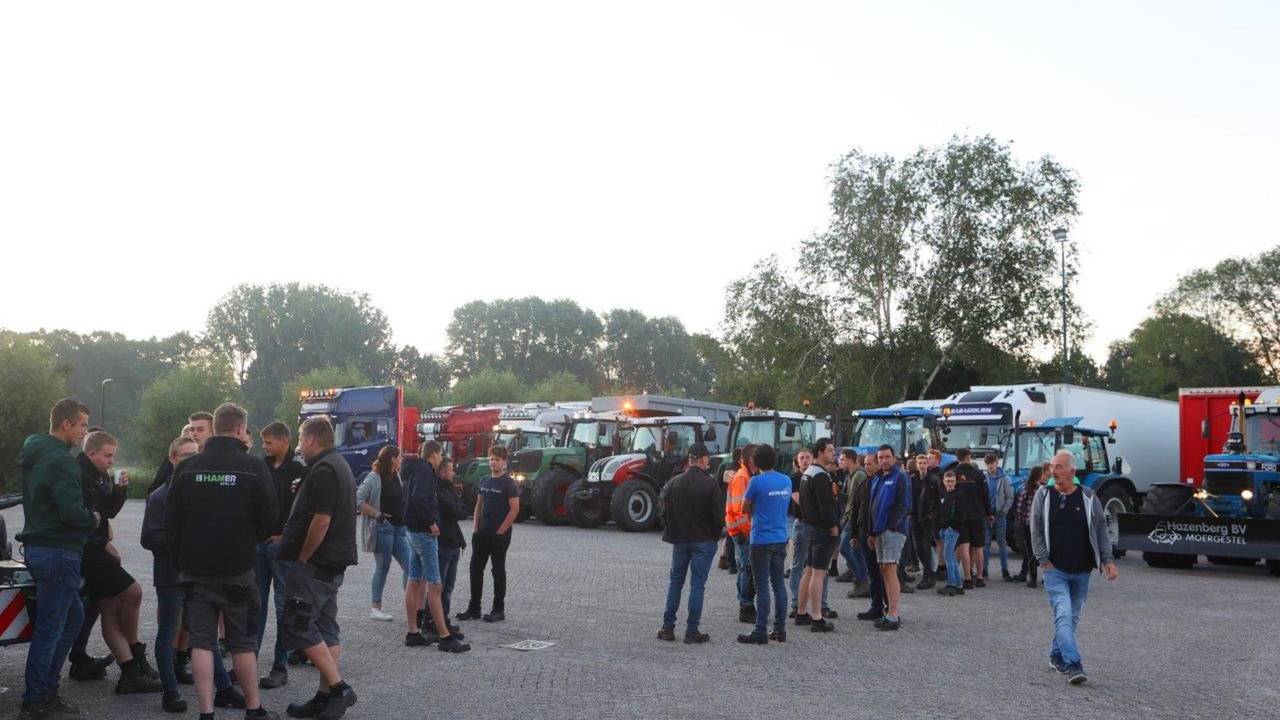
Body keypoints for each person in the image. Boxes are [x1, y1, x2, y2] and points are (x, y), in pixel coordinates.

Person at [164, 402, 281, 720]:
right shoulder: (254, 467)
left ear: (216, 428)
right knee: (242, 642)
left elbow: (170, 522)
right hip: (238, 569)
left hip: (195, 569)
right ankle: (254, 709)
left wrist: (182, 559)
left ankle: (206, 712)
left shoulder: (186, 468)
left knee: (201, 641)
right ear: (241, 429)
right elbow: (271, 521)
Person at [16, 399, 98, 720]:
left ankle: (46, 688)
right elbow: (70, 512)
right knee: (50, 629)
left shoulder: (35, 453)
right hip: (59, 552)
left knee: (74, 618)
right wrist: (91, 517)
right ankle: (36, 700)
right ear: (66, 424)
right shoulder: (62, 460)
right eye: (81, 426)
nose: (83, 433)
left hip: (39, 549)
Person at [276, 416, 360, 718]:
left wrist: (303, 556)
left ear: (311, 438)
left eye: (300, 438)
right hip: (332, 563)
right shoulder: (337, 464)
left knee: (298, 626)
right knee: (326, 628)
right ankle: (324, 697)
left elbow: (321, 520)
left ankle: (338, 688)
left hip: (317, 563)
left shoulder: (324, 469)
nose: (299, 444)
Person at [70, 430, 162, 694]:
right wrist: (99, 534)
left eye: (113, 457)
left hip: (97, 548)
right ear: (91, 453)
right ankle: (134, 656)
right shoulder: (79, 474)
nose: (111, 461)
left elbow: (107, 512)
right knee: (133, 592)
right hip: (90, 552)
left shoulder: (98, 474)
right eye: (108, 456)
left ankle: (130, 670)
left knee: (109, 606)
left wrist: (120, 490)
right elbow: (86, 517)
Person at [1031, 450, 1119, 686]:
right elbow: (1036, 529)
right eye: (1052, 467)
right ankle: (1074, 664)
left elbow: (1100, 531)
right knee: (1064, 614)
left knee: (1071, 619)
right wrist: (1043, 560)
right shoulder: (1043, 495)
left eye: (1058, 467)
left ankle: (1056, 655)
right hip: (1054, 570)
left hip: (1082, 571)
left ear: (1072, 471)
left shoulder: (1089, 497)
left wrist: (1108, 561)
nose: (1053, 471)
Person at [141, 436, 201, 713]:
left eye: (195, 454)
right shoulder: (159, 496)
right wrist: (184, 540)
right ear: (173, 459)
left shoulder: (203, 493)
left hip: (198, 575)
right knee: (168, 632)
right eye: (185, 455)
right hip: (170, 576)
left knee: (200, 631)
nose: (190, 459)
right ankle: (170, 690)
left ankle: (221, 686)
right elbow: (149, 538)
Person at [401, 441, 468, 652]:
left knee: (414, 580)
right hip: (424, 533)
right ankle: (444, 636)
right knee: (435, 585)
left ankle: (413, 632)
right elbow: (420, 497)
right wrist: (431, 521)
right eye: (440, 455)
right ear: (434, 454)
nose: (441, 459)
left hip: (412, 531)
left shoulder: (411, 469)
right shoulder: (425, 471)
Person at [656, 443, 722, 644]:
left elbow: (662, 509)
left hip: (681, 540)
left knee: (675, 582)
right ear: (703, 460)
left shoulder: (675, 482)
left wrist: (670, 530)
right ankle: (692, 630)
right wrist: (714, 536)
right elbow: (718, 517)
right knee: (697, 585)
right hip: (703, 541)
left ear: (689, 460)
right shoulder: (711, 484)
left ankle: (668, 627)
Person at [256, 422, 305, 690]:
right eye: (263, 443)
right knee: (256, 605)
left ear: (285, 441)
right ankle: (247, 661)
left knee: (283, 606)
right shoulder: (261, 465)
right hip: (259, 545)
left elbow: (300, 510)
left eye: (269, 442)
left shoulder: (298, 471)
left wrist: (285, 535)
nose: (265, 447)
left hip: (283, 548)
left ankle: (280, 665)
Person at [737, 444, 792, 644]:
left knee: (761, 586)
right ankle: (780, 629)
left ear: (756, 462)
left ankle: (760, 630)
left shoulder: (756, 482)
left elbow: (744, 508)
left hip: (761, 539)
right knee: (778, 584)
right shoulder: (786, 480)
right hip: (780, 537)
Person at [461, 445, 520, 624]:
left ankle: (498, 609)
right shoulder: (484, 480)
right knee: (475, 569)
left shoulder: (509, 483)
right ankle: (474, 608)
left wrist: (501, 531)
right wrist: (476, 527)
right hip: (482, 534)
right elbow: (479, 505)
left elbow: (515, 509)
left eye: (497, 459)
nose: (494, 462)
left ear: (504, 462)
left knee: (497, 571)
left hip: (499, 536)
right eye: (491, 459)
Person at [356, 446, 410, 622]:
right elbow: (358, 500)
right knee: (383, 567)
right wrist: (377, 515)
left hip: (399, 528)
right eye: (399, 457)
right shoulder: (374, 477)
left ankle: (413, 604)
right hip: (383, 528)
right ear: (392, 459)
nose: (401, 460)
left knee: (410, 565)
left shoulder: (397, 476)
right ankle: (375, 607)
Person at [795, 439, 838, 632]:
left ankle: (801, 611)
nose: (833, 454)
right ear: (820, 452)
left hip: (809, 526)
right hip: (821, 529)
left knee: (809, 570)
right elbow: (826, 505)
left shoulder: (807, 474)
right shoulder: (821, 476)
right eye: (830, 450)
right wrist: (833, 525)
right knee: (819, 573)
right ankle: (817, 617)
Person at [867, 445, 911, 631]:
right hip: (879, 532)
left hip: (892, 531)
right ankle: (889, 612)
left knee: (891, 570)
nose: (884, 460)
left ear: (894, 458)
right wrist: (872, 532)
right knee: (884, 570)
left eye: (887, 457)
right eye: (881, 457)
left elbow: (905, 505)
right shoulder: (878, 479)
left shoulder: (900, 477)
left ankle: (893, 615)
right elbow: (872, 507)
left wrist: (891, 526)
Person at [786, 449, 828, 618]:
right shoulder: (795, 479)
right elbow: (799, 499)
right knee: (798, 565)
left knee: (819, 568)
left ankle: (822, 604)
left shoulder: (818, 476)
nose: (804, 460)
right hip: (802, 524)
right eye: (801, 458)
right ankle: (796, 603)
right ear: (797, 461)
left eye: (807, 457)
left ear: (812, 459)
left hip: (817, 526)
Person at [433, 457, 468, 631]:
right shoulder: (439, 489)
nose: (453, 472)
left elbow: (462, 510)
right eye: (451, 469)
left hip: (454, 541)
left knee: (449, 585)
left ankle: (443, 617)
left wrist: (457, 507)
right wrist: (456, 507)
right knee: (440, 585)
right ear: (443, 472)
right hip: (444, 542)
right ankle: (435, 619)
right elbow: (453, 509)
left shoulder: (448, 489)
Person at [723, 444, 756, 624]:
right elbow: (740, 510)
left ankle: (743, 601)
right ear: (750, 460)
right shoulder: (742, 478)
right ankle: (746, 604)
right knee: (746, 568)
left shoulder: (744, 476)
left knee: (744, 567)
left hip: (737, 529)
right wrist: (748, 532)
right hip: (741, 530)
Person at [852, 454, 887, 623]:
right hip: (863, 531)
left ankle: (886, 605)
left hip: (877, 533)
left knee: (881, 572)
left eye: (870, 464)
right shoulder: (864, 484)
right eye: (865, 464)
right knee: (872, 571)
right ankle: (877, 606)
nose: (867, 467)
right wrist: (854, 534)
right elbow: (855, 509)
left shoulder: (881, 483)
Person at [951, 448, 991, 589]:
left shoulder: (953, 474)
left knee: (964, 547)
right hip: (977, 514)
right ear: (968, 457)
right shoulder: (979, 474)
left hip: (960, 516)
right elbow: (986, 496)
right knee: (978, 547)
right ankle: (979, 578)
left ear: (957, 458)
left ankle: (967, 578)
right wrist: (989, 513)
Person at [838, 450, 871, 599]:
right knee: (853, 550)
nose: (840, 461)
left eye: (843, 459)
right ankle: (861, 580)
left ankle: (863, 580)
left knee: (846, 548)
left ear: (851, 459)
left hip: (854, 518)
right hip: (849, 517)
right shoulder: (851, 476)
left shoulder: (859, 475)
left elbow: (861, 500)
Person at [983, 452, 1015, 582]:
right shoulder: (984, 479)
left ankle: (1005, 570)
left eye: (993, 464)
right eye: (988, 464)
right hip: (987, 515)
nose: (990, 466)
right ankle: (984, 570)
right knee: (986, 543)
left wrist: (1003, 512)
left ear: (997, 464)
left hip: (1000, 514)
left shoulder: (1005, 479)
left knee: (1002, 543)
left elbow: (1010, 497)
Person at [933, 470, 966, 597]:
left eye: (952, 481)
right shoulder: (943, 494)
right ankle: (958, 585)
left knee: (948, 556)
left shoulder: (959, 495)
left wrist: (952, 527)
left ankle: (952, 584)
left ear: (955, 482)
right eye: (948, 481)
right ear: (943, 482)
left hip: (952, 530)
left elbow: (962, 514)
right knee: (950, 556)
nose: (950, 483)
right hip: (944, 529)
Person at [1012, 466, 1044, 587]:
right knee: (1034, 550)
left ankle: (1032, 579)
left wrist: (1019, 520)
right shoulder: (1042, 489)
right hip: (1039, 524)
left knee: (1030, 550)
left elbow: (1019, 507)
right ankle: (1028, 574)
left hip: (1027, 524)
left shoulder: (1026, 488)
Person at [912, 452, 939, 591]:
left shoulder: (934, 479)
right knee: (918, 548)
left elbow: (938, 500)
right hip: (914, 518)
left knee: (926, 547)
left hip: (927, 519)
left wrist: (931, 515)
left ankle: (927, 576)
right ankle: (930, 573)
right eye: (919, 463)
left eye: (924, 463)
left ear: (927, 465)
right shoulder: (912, 479)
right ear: (916, 465)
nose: (922, 466)